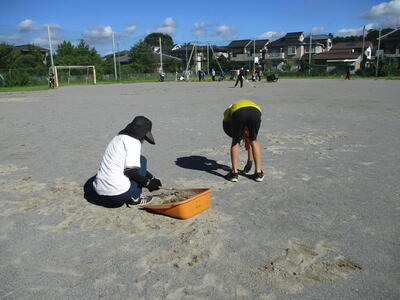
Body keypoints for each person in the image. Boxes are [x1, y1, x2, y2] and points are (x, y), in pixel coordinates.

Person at [85, 116, 162, 207]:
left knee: (136, 163)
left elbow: (129, 167)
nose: (143, 140)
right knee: (142, 160)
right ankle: (135, 199)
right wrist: (148, 183)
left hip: (98, 193)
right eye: (144, 137)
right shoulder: (134, 142)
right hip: (117, 197)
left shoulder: (118, 138)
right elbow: (131, 172)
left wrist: (152, 178)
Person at [222, 99, 264, 182]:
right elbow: (250, 141)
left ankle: (234, 173)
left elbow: (226, 122)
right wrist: (249, 162)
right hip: (255, 113)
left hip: (239, 113)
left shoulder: (230, 109)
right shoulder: (251, 105)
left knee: (235, 142)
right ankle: (258, 173)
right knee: (254, 141)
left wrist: (237, 137)